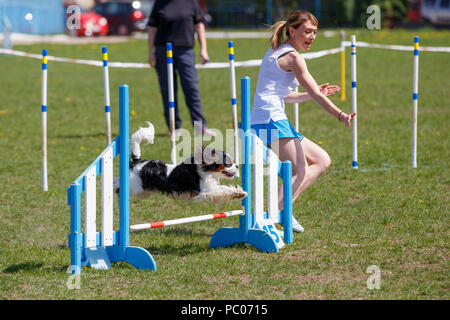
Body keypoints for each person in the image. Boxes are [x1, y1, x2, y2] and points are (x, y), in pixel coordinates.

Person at [251, 10, 355, 232]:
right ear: (292, 30)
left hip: (270, 117)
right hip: (270, 119)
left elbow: (285, 96)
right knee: (300, 170)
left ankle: (282, 211)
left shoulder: (277, 51)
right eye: (307, 31)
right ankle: (272, 218)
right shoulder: (292, 57)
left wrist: (314, 93)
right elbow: (315, 95)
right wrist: (340, 114)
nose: (312, 37)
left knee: (322, 160)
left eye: (315, 32)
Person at [147, 0, 215, 136]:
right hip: (163, 51)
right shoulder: (160, 3)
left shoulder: (191, 2)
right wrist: (150, 53)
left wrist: (204, 49)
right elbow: (152, 29)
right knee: (168, 90)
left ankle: (200, 127)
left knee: (191, 88)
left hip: (186, 51)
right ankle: (173, 127)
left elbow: (199, 25)